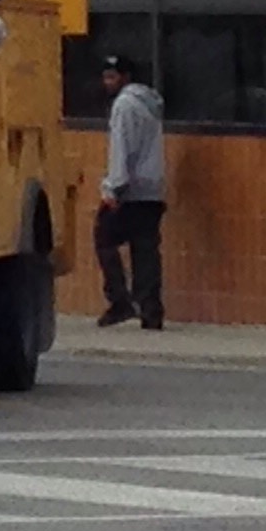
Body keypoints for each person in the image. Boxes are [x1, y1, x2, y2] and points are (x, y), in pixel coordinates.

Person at [95, 52, 168, 332]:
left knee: (103, 238)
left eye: (112, 77)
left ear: (125, 78)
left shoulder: (124, 105)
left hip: (129, 189)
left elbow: (121, 147)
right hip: (152, 190)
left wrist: (115, 186)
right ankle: (151, 310)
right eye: (105, 76)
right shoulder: (150, 104)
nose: (107, 82)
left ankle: (120, 300)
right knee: (146, 250)